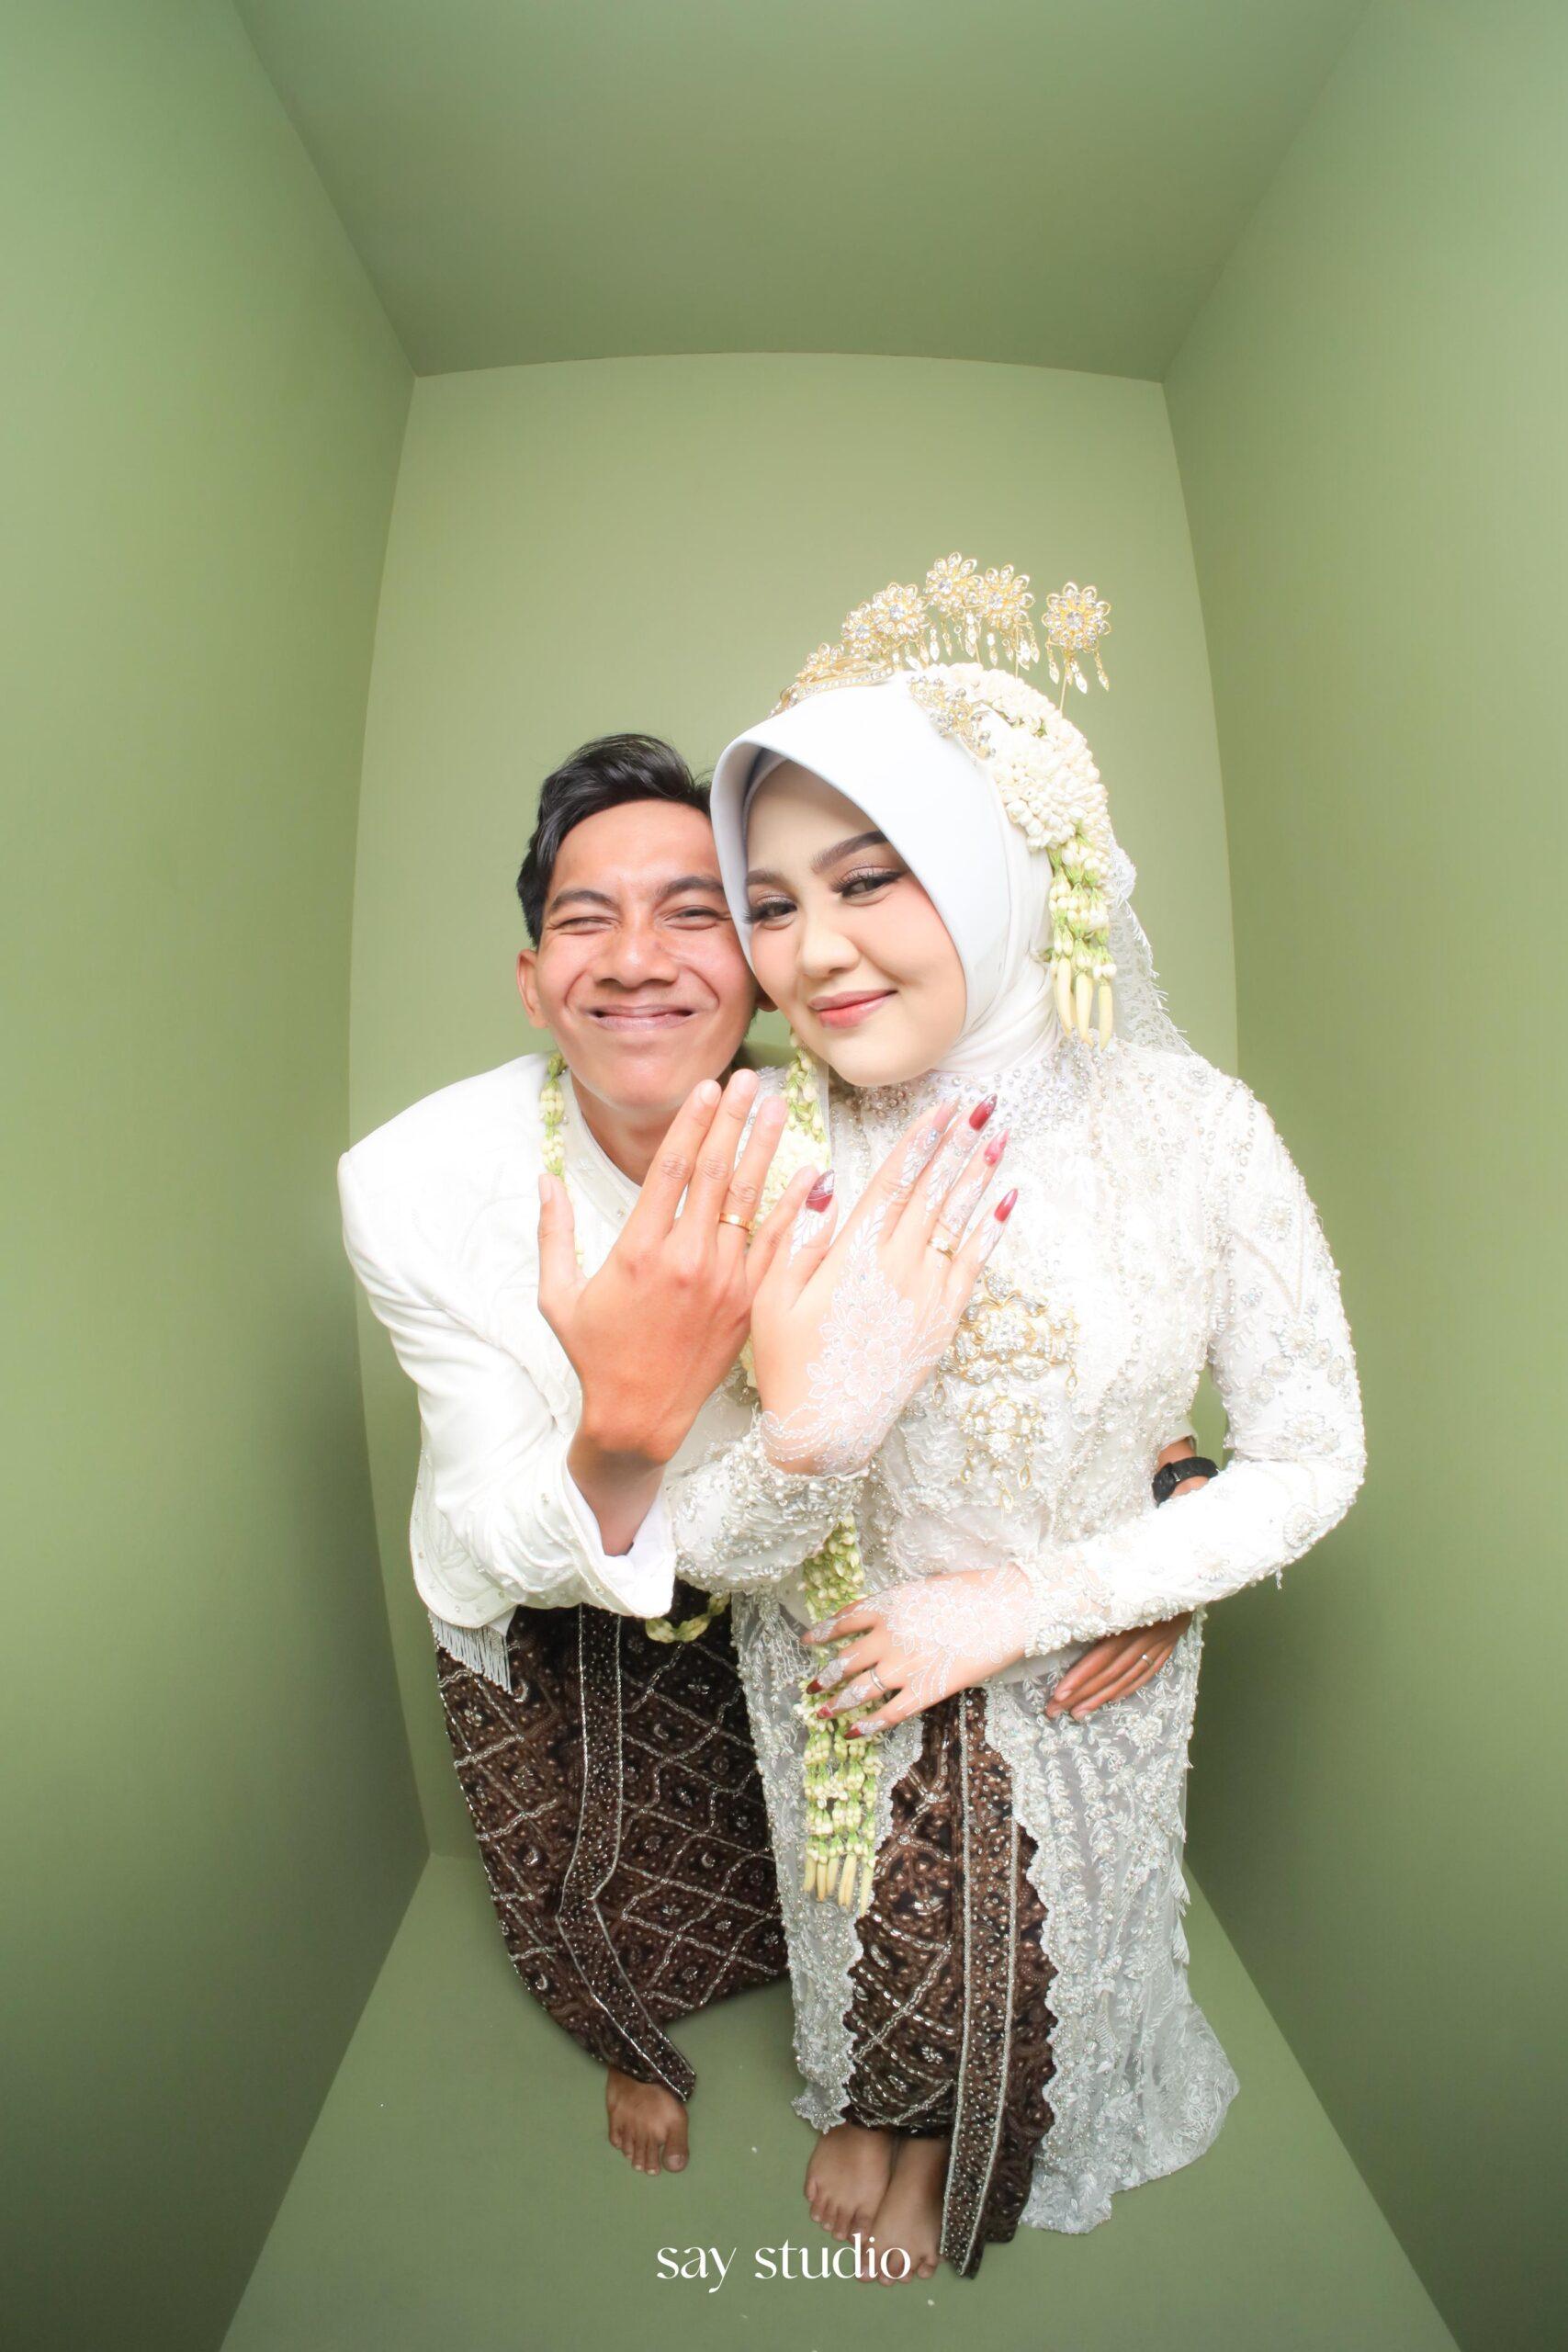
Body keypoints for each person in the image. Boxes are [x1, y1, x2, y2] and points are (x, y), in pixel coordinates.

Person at [338, 726, 1203, 2186]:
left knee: (801, 1847)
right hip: (545, 1580)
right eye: (586, 921)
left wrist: (1170, 1513)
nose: (638, 960)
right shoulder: (413, 1183)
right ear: (534, 981)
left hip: (778, 1578)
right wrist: (625, 1429)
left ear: (752, 967)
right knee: (587, 1868)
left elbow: (1060, 1339)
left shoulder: (856, 1121)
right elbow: (488, 1518)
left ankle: (858, 2060)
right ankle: (631, 2043)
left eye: (694, 913)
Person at [658, 559, 1368, 2279]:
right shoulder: (757, 1136)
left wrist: (1066, 1594)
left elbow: (1312, 1450)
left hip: (1080, 1672)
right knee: (863, 1931)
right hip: (833, 1671)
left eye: (869, 878)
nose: (813, 952)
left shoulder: (1193, 1129)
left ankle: (965, 2135)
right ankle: (874, 2101)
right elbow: (687, 1530)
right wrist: (818, 1434)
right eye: (769, 904)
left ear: (994, 866)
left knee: (1047, 1971)